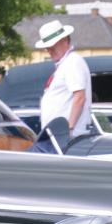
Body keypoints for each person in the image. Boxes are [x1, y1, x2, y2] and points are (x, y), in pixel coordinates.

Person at [32, 19, 92, 153]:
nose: (49, 50)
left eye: (53, 45)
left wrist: (68, 129)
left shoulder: (72, 62)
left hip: (66, 138)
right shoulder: (67, 63)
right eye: (47, 47)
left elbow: (79, 97)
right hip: (59, 136)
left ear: (65, 40)